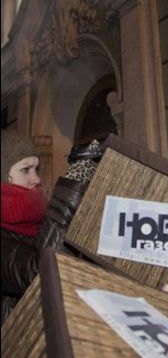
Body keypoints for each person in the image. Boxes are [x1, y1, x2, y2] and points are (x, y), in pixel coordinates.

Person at [1, 129, 102, 325]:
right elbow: (42, 274)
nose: (36, 178)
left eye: (36, 169)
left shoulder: (41, 217)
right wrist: (74, 181)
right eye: (25, 170)